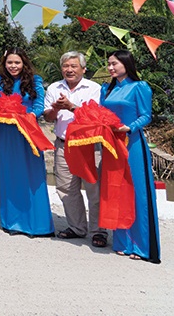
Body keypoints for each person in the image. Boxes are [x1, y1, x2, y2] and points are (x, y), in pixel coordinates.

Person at [100, 49, 160, 263]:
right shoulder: (106, 89)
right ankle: (122, 242)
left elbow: (146, 115)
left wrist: (129, 127)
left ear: (126, 63)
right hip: (111, 145)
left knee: (136, 193)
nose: (110, 68)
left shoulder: (140, 87)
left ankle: (141, 246)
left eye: (114, 63)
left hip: (132, 143)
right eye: (109, 64)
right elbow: (101, 113)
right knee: (115, 190)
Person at [43, 51, 105, 246]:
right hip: (64, 145)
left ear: (83, 69)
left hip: (89, 145)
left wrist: (71, 106)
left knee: (94, 189)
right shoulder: (54, 87)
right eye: (65, 66)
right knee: (66, 189)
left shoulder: (94, 88)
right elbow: (47, 117)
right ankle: (77, 227)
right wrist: (56, 108)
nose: (69, 70)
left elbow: (94, 117)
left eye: (73, 66)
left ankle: (98, 231)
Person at [0, 47, 54, 237]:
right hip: (8, 132)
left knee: (33, 176)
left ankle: (38, 224)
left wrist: (30, 116)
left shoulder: (35, 81)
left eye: (17, 62)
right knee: (10, 174)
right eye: (9, 62)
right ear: (4, 64)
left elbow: (39, 105)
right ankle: (12, 222)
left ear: (24, 63)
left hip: (29, 130)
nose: (13, 66)